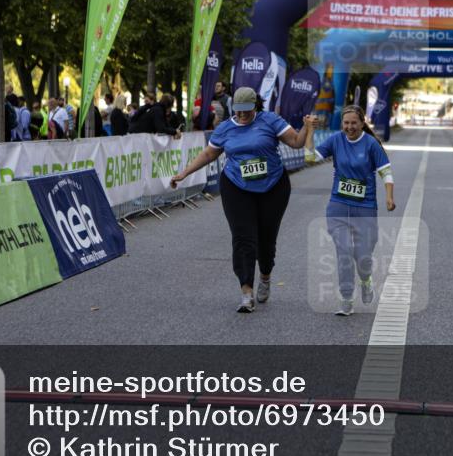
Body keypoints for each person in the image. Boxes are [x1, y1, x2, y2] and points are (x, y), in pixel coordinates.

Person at [169, 87, 315, 313]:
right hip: (236, 186)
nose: (243, 115)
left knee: (266, 239)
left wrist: (307, 127)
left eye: (247, 111)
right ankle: (246, 292)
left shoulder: (270, 120)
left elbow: (296, 142)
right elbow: (209, 154)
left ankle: (265, 276)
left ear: (255, 106)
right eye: (239, 111)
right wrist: (185, 173)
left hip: (273, 186)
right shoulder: (226, 128)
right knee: (243, 238)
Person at [306, 105, 395, 316]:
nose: (349, 127)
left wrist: (389, 196)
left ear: (362, 123)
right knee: (344, 251)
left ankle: (366, 279)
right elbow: (310, 158)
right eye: (346, 123)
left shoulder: (371, 144)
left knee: (363, 255)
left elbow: (386, 172)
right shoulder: (336, 140)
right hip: (338, 205)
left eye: (354, 123)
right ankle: (346, 298)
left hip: (365, 207)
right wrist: (309, 130)